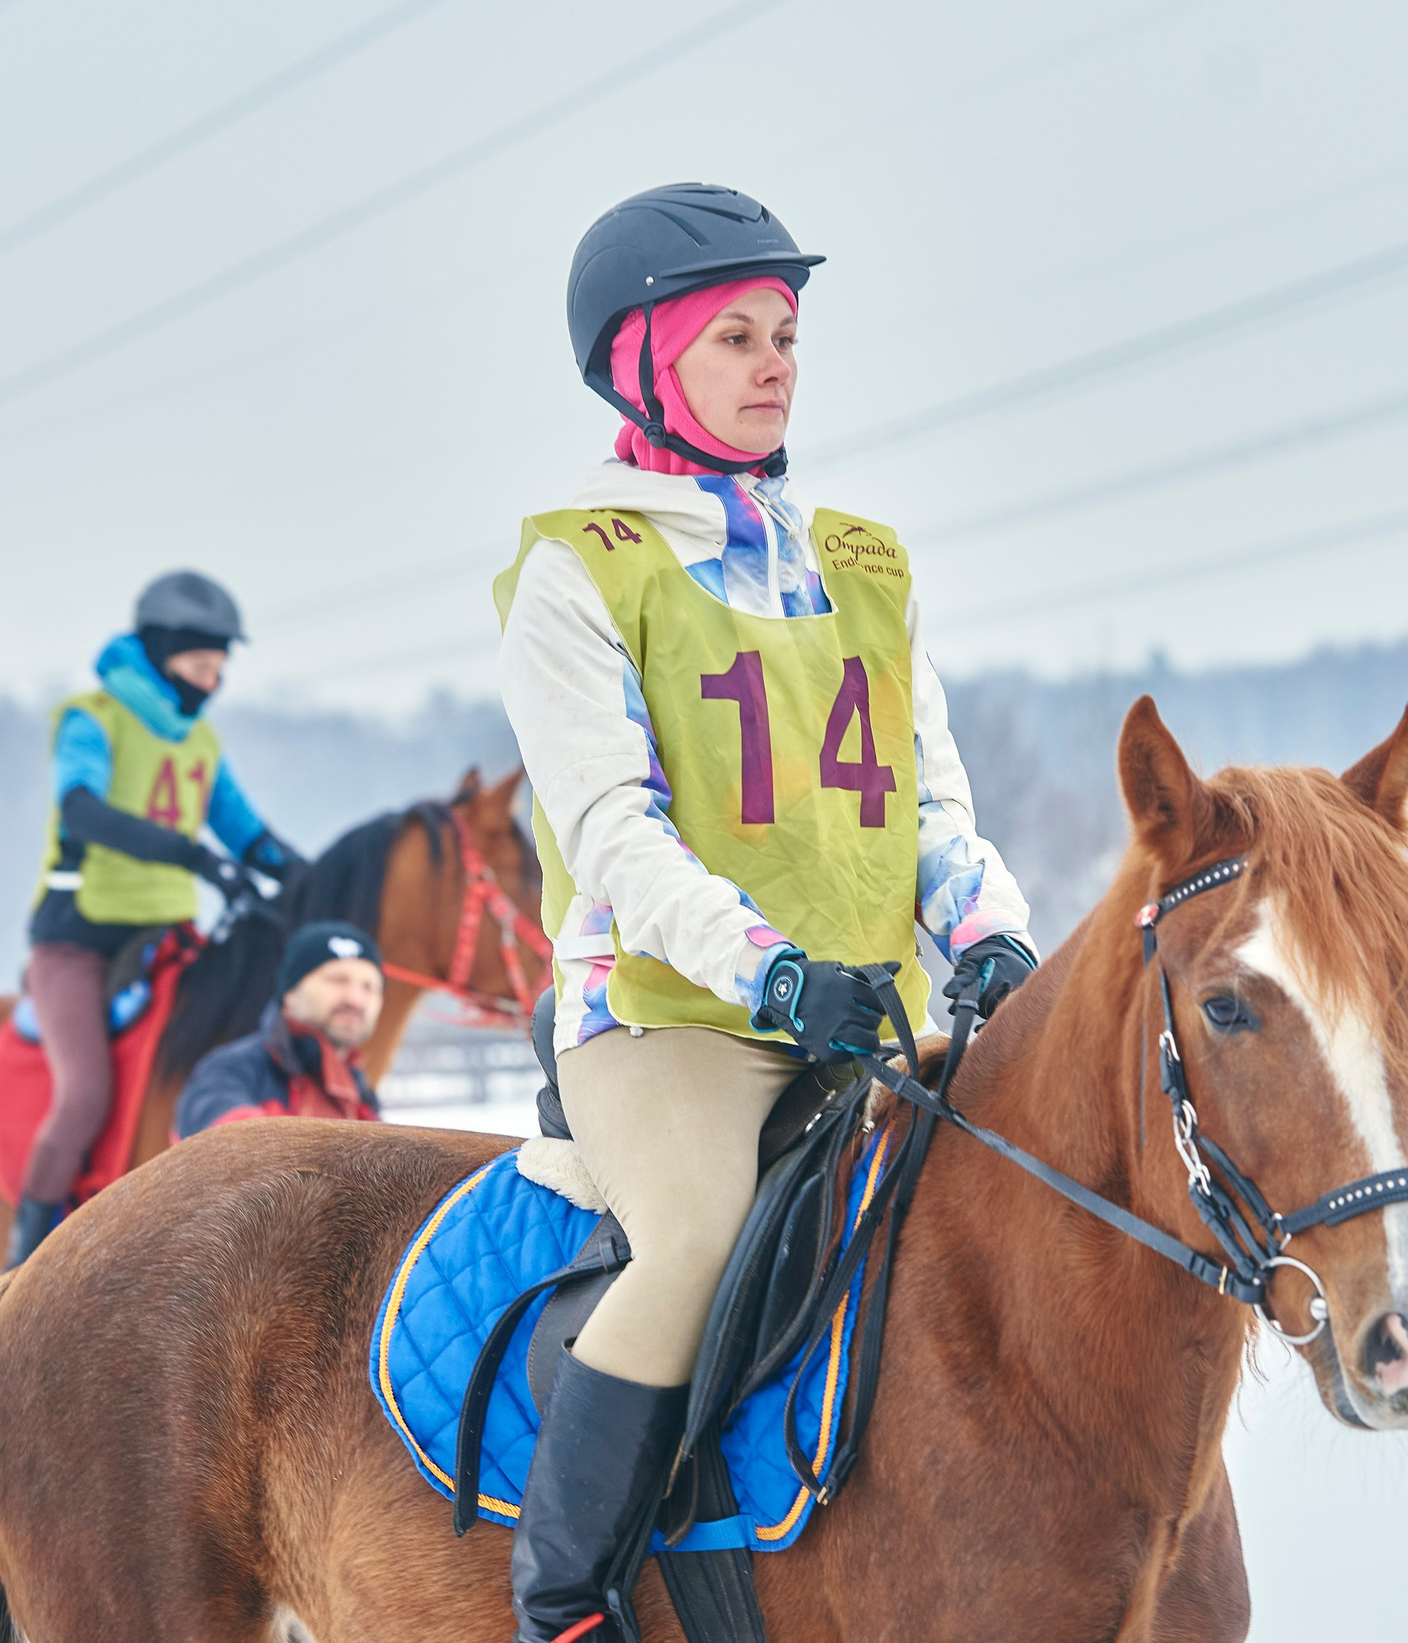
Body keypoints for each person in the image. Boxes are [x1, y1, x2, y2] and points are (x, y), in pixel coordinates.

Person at [491, 184, 1040, 1641]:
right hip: (671, 1018)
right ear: (644, 361)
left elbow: (928, 803)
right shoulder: (580, 566)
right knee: (692, 1237)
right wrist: (772, 972)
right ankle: (564, 1597)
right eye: (734, 337)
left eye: (784, 336)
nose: (774, 364)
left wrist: (987, 928)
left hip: (863, 1011)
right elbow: (615, 831)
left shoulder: (864, 562)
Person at [12, 570, 306, 1266]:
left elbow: (247, 835)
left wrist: (313, 883)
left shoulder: (200, 743)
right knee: (85, 1094)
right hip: (78, 941)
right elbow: (81, 809)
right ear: (161, 653)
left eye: (220, 667)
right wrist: (193, 856)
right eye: (201, 665)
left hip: (167, 939)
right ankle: (22, 1255)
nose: (214, 680)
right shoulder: (92, 719)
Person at [172, 920, 387, 1136]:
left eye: (369, 987)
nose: (355, 999)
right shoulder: (232, 1068)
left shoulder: (363, 1100)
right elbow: (224, 1141)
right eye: (338, 980)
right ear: (290, 995)